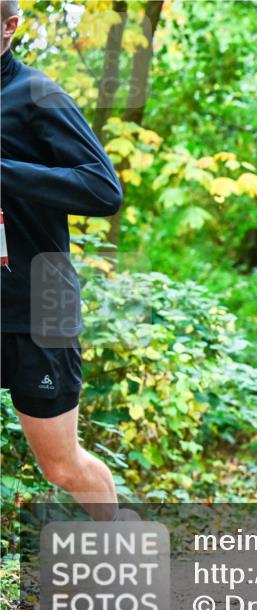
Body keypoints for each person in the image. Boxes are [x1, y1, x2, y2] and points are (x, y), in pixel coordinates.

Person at [0, 0, 131, 521]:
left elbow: (103, 190)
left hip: (40, 303)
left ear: (9, 26)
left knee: (60, 465)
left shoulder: (36, 94)